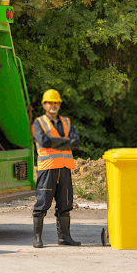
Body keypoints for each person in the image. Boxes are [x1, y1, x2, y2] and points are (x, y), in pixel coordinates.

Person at [31, 89, 81, 248]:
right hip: (48, 169)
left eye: (56, 102)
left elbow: (76, 142)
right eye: (50, 102)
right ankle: (37, 238)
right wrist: (65, 141)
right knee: (42, 203)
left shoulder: (66, 121)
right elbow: (44, 142)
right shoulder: (39, 123)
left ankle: (64, 237)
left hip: (64, 169)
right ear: (44, 105)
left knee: (65, 204)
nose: (54, 105)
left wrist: (56, 141)